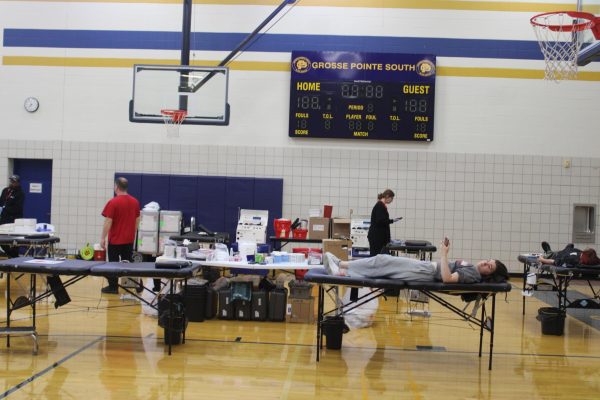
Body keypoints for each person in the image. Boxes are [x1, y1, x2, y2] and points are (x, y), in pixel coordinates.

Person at [323, 237, 509, 284]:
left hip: (427, 272)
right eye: (488, 260)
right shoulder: (474, 270)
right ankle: (342, 269)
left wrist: (444, 253)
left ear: (488, 275)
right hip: (426, 268)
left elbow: (447, 278)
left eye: (489, 266)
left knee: (382, 262)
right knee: (382, 264)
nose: (485, 263)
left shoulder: (474, 275)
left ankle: (340, 266)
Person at [100, 177, 140, 294]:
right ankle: (133, 284)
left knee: (113, 264)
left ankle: (113, 287)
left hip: (115, 239)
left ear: (116, 187)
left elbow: (108, 221)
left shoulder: (113, 202)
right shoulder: (135, 201)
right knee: (128, 264)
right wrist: (132, 232)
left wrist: (103, 238)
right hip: (129, 239)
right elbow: (137, 219)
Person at [368, 189, 401, 256]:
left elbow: (382, 221)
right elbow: (380, 221)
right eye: (392, 198)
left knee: (379, 258)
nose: (392, 201)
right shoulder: (380, 206)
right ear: (387, 196)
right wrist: (392, 221)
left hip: (378, 237)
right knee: (376, 258)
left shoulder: (381, 205)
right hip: (376, 237)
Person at [0, 175, 25, 258]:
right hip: (3, 219)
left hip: (14, 220)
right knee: (2, 240)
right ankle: (9, 254)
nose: (12, 183)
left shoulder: (20, 193)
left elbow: (17, 208)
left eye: (14, 182)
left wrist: (5, 208)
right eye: (11, 181)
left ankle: (14, 256)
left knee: (14, 241)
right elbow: (1, 202)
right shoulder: (5, 191)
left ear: (18, 183)